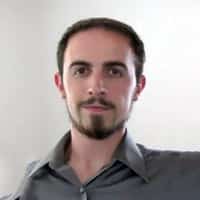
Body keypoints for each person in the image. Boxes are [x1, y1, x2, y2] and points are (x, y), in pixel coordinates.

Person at [2, 17, 200, 200]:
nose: (96, 88)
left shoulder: (191, 176)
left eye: (114, 71)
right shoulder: (27, 190)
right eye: (81, 71)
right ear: (60, 84)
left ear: (138, 87)